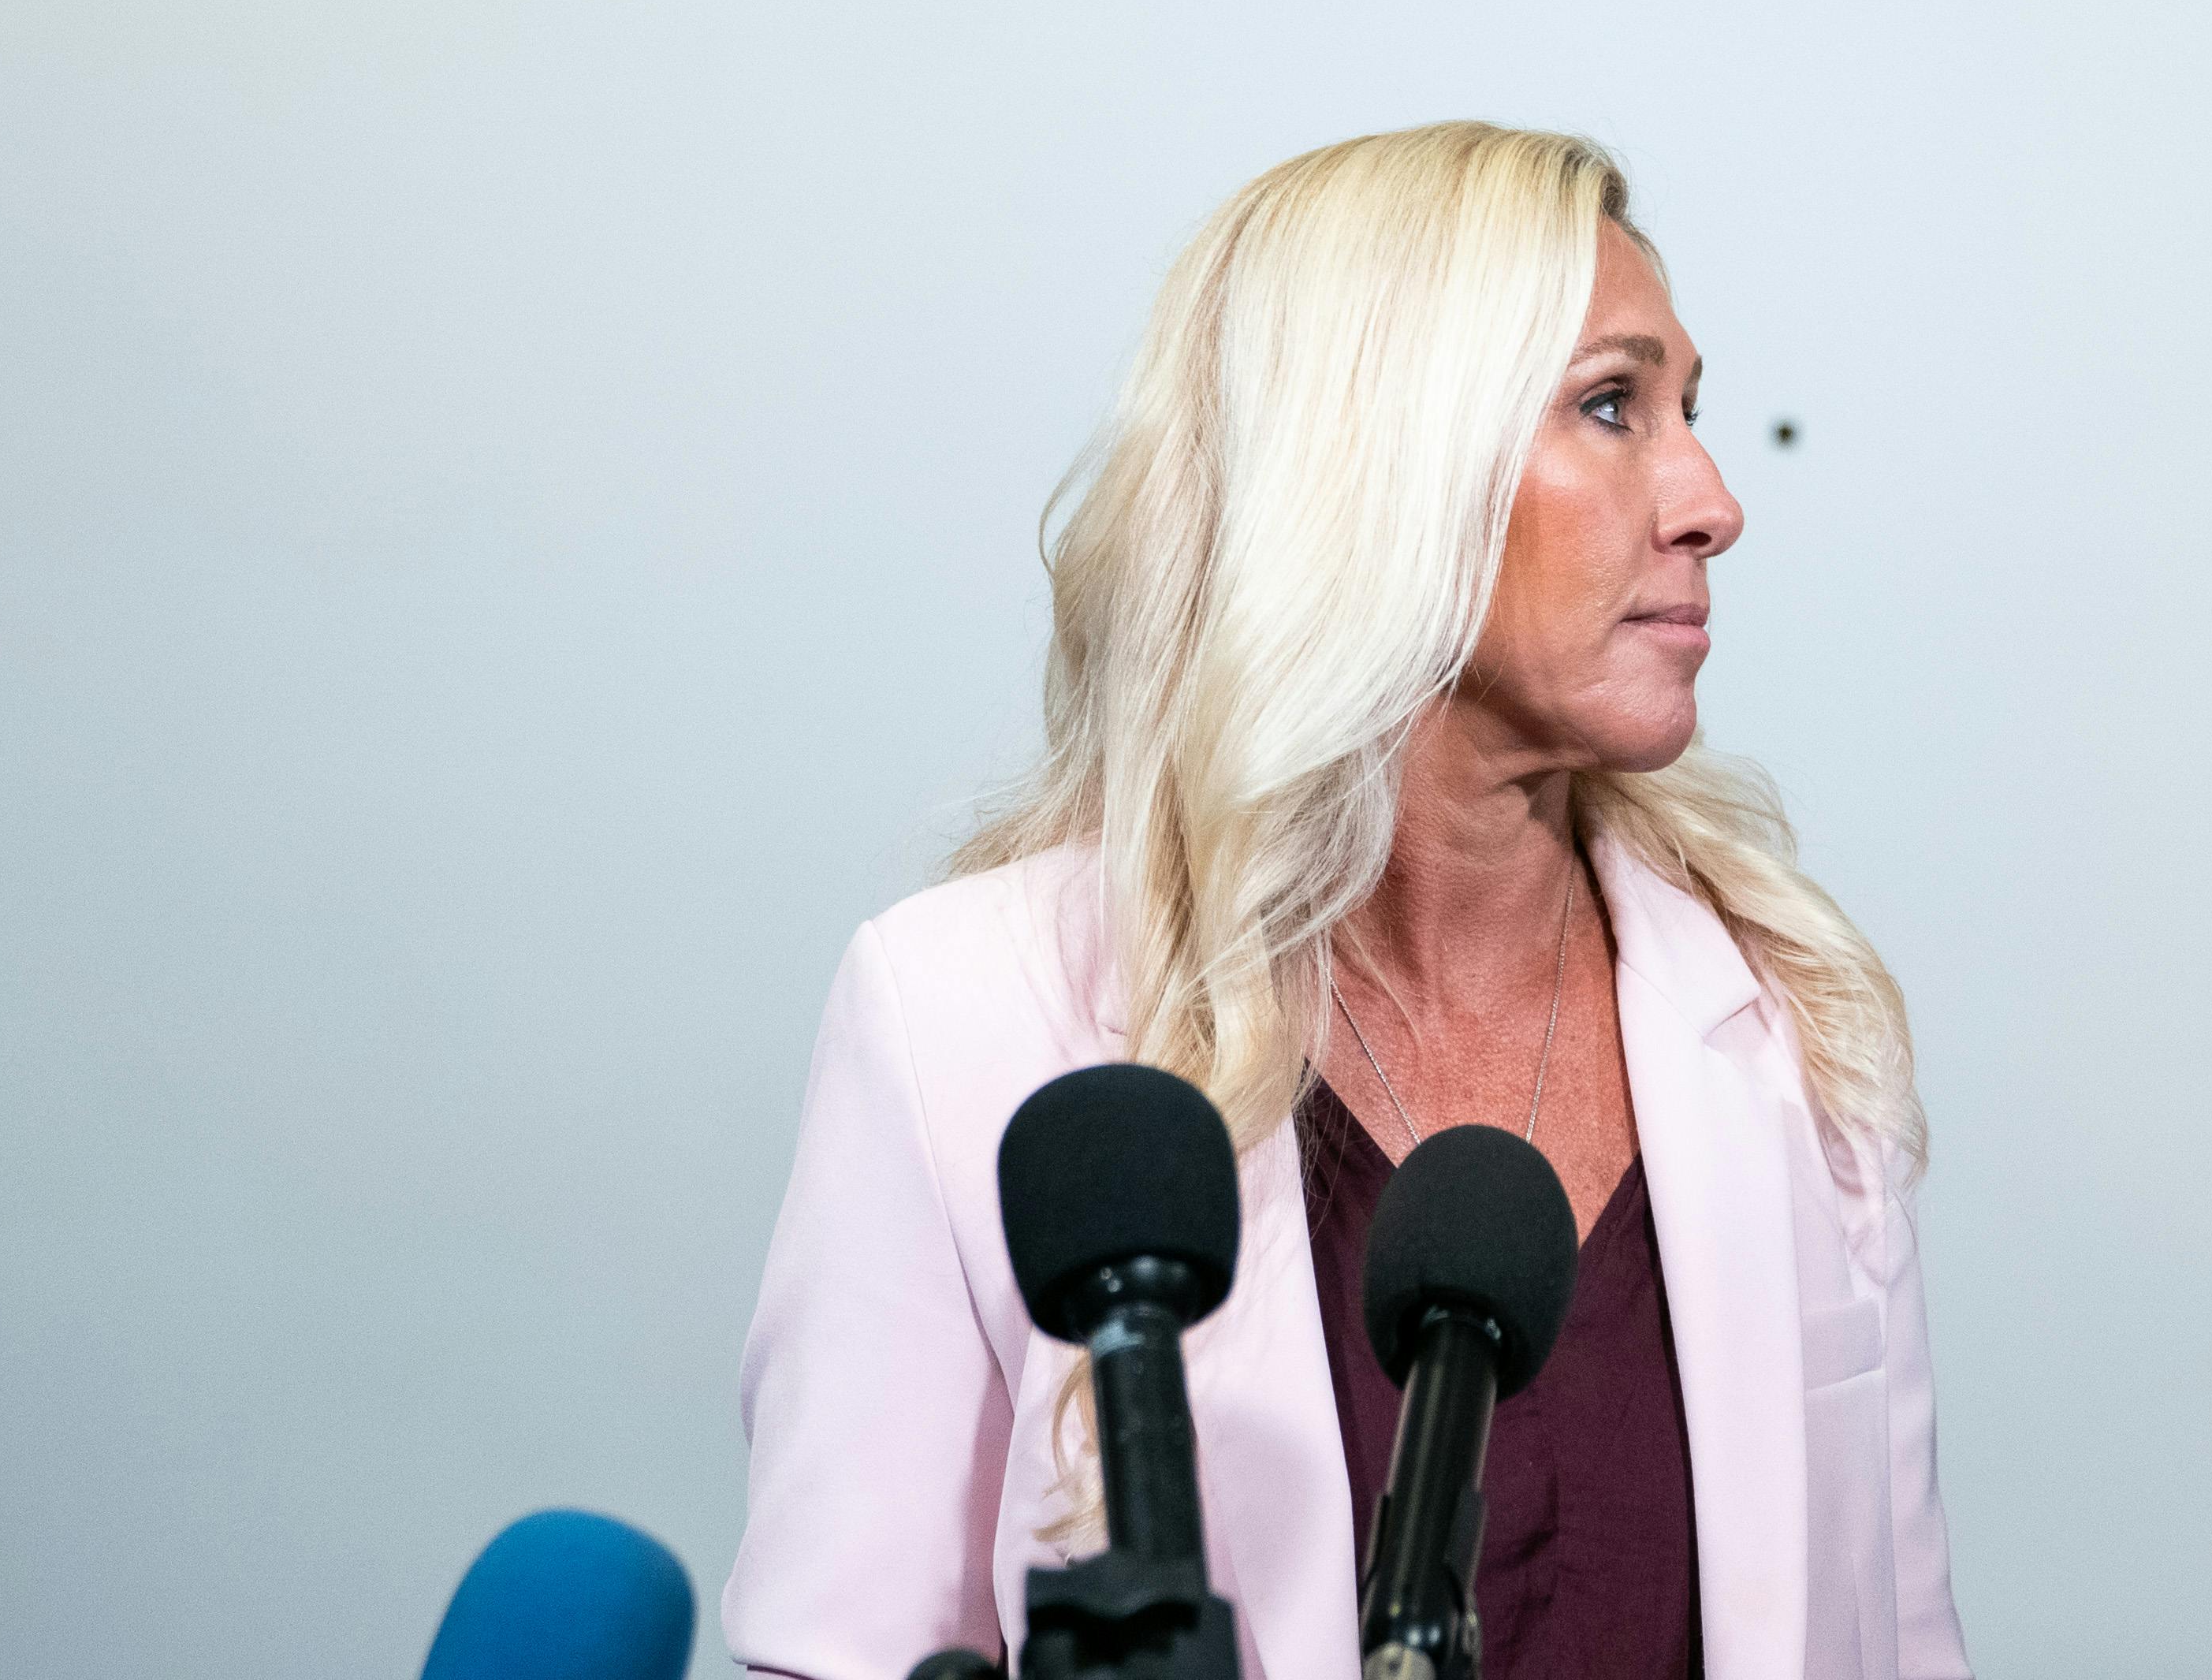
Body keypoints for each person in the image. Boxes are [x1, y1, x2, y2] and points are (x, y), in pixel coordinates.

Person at [726, 123, 1966, 1680]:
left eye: (1688, 412)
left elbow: (1902, 1648)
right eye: (1609, 404)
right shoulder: (959, 1017)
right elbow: (838, 1654)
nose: (1712, 499)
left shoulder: (1788, 1014)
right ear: (1372, 465)